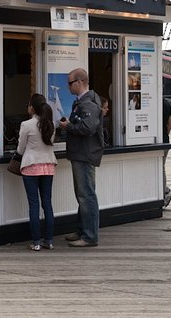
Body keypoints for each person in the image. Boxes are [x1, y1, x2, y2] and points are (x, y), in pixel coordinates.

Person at [59, 68, 104, 248]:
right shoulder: (83, 102)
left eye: (70, 83)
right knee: (83, 194)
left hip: (85, 154)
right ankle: (82, 230)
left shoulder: (88, 104)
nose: (68, 87)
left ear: (79, 82)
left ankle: (90, 236)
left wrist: (68, 127)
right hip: (81, 153)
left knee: (86, 195)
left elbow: (88, 128)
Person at [17, 93, 57, 251]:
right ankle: (49, 241)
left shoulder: (26, 125)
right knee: (47, 204)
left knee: (34, 205)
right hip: (48, 165)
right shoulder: (51, 123)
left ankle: (36, 242)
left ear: (32, 107)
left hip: (31, 166)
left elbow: (20, 149)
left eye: (28, 104)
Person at [163, 98, 171, 208]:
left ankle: (165, 191)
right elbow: (170, 124)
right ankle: (164, 191)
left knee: (159, 168)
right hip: (164, 140)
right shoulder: (167, 104)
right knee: (161, 167)